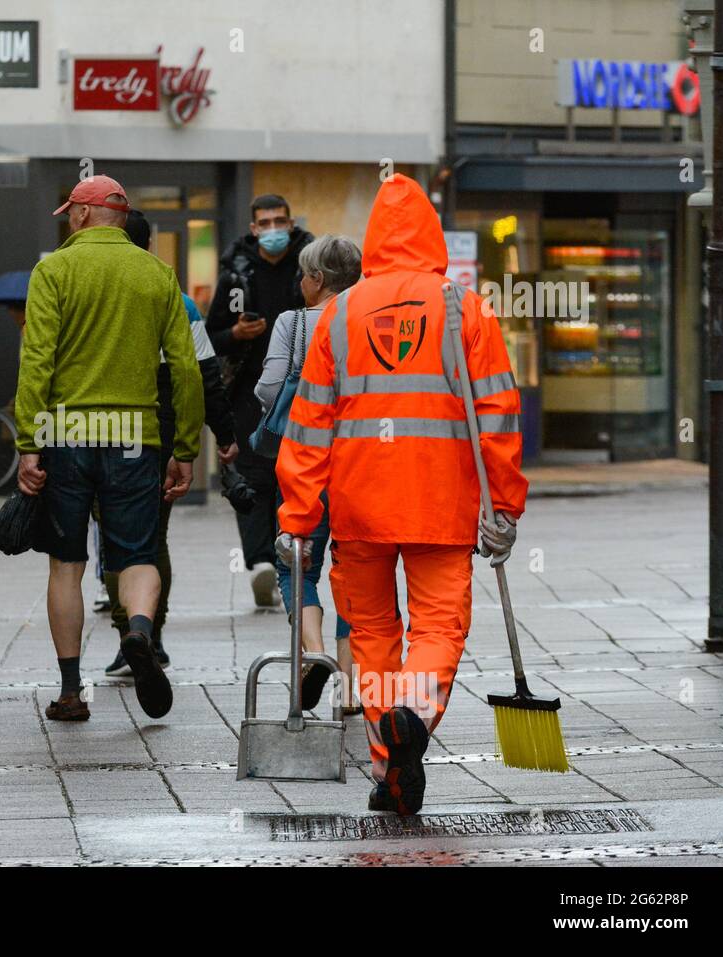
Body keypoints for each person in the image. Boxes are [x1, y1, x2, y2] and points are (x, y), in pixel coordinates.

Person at [276, 174, 528, 816]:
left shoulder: (339, 313)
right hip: (442, 505)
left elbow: (308, 426)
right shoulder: (464, 309)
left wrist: (298, 516)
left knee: (373, 632)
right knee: (439, 625)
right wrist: (503, 507)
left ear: (375, 240)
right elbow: (498, 415)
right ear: (432, 233)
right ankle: (413, 717)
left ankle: (390, 771)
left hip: (359, 507)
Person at [15, 175, 204, 722]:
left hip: (67, 437)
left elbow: (37, 362)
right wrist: (185, 445)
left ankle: (72, 692)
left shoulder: (53, 270)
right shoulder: (158, 274)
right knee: (137, 555)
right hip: (135, 436)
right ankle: (139, 633)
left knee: (66, 565)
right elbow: (184, 368)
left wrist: (29, 441)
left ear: (79, 215)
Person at [102, 209, 238, 677]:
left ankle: (127, 637)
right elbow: (204, 374)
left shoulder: (93, 291)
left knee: (112, 538)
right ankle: (149, 634)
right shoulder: (178, 300)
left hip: (101, 429)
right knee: (151, 536)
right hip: (158, 431)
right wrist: (224, 434)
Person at [254, 234, 362, 712]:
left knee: (296, 559)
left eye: (303, 274)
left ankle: (314, 653)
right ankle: (353, 691)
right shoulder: (368, 316)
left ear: (318, 280)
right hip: (361, 461)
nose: (299, 282)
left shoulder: (293, 323)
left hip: (305, 459)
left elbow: (270, 385)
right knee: (357, 568)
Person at [206, 194, 314, 607]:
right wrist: (235, 335)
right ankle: (259, 562)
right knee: (253, 474)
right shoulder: (236, 275)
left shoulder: (309, 267)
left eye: (279, 221)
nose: (272, 230)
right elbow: (212, 336)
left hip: (302, 389)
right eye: (264, 223)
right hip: (249, 391)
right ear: (253, 229)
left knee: (292, 475)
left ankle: (287, 554)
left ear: (291, 223)